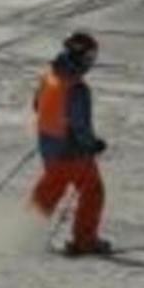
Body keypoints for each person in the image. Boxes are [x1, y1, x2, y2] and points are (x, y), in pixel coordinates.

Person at [29, 31, 111, 256]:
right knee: (92, 190)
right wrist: (92, 144)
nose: (91, 62)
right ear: (78, 55)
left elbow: (37, 105)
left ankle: (23, 234)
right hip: (72, 151)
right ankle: (85, 241)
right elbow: (79, 124)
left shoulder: (50, 76)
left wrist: (53, 125)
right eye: (89, 57)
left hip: (49, 146)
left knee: (49, 191)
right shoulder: (76, 87)